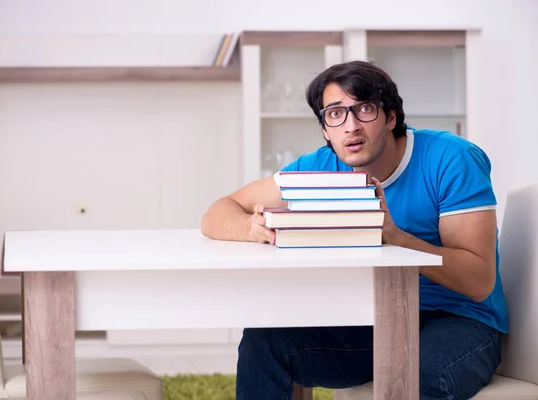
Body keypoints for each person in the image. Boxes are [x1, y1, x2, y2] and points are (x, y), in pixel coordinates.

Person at [200, 60, 508, 400]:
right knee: (266, 343)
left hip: (460, 319)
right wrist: (252, 227)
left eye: (363, 109)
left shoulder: (451, 159)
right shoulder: (318, 168)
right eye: (335, 113)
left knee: (416, 376)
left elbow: (479, 283)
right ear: (324, 129)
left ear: (391, 117)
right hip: (376, 317)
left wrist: (395, 237)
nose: (350, 126)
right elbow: (217, 212)